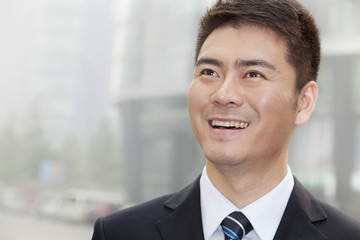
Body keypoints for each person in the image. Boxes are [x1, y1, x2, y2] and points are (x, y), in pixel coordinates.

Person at [92, 0, 360, 239]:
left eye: (253, 74)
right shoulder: (120, 233)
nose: (223, 94)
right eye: (209, 71)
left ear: (304, 101)